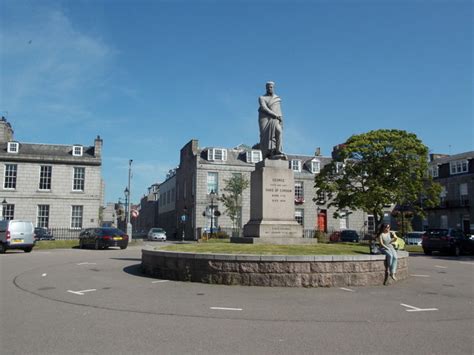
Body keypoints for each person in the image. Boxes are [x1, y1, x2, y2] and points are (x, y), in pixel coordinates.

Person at [258, 81, 285, 159]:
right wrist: (275, 115)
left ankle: (278, 151)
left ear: (273, 88)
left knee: (279, 131)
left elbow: (279, 110)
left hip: (275, 119)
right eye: (268, 87)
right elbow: (264, 108)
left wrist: (281, 121)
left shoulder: (277, 98)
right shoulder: (262, 98)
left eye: (271, 87)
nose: (269, 88)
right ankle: (267, 154)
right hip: (265, 119)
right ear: (266, 88)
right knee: (265, 137)